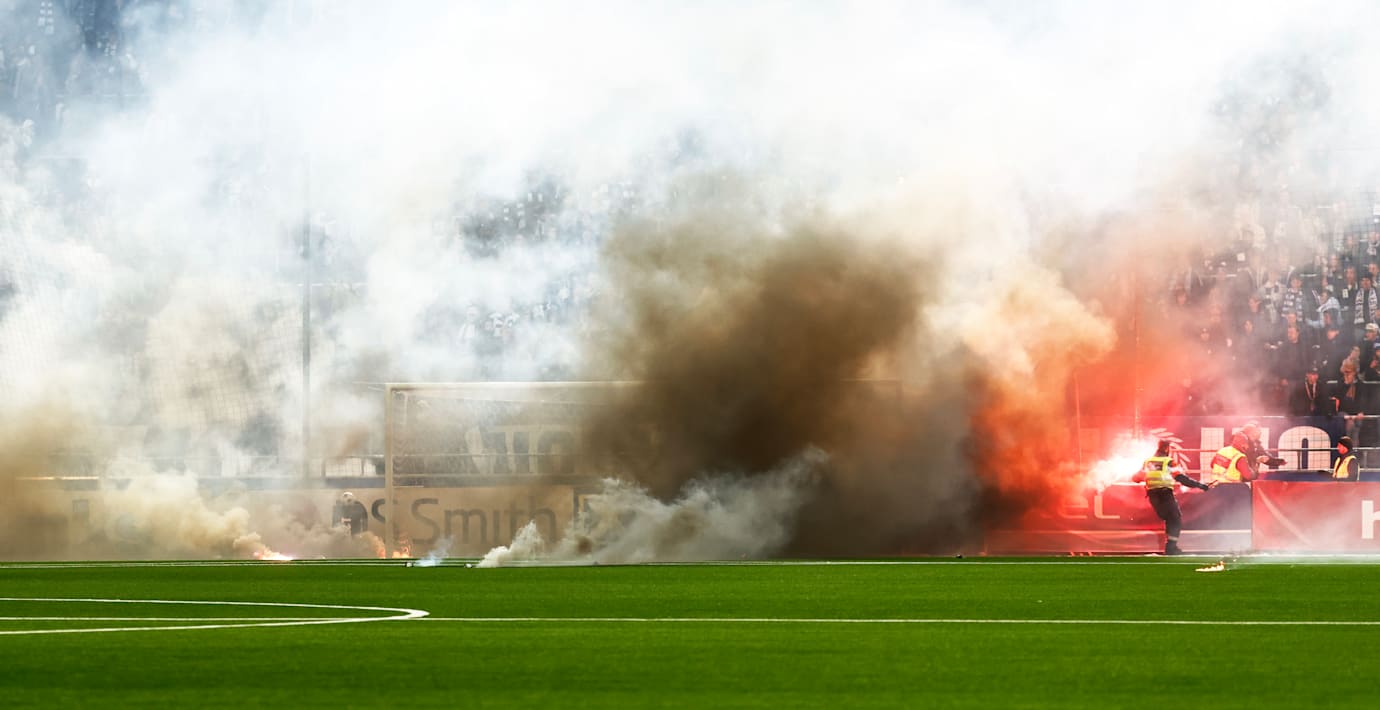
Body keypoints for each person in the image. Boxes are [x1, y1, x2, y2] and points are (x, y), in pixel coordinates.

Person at [1134, 440, 1211, 555]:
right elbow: (1181, 478)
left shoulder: (1148, 462)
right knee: (1175, 519)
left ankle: (1170, 546)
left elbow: (1136, 478)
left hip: (1153, 496)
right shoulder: (1169, 462)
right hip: (1165, 494)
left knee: (1169, 519)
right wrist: (1200, 485)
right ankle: (1171, 547)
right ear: (1167, 449)